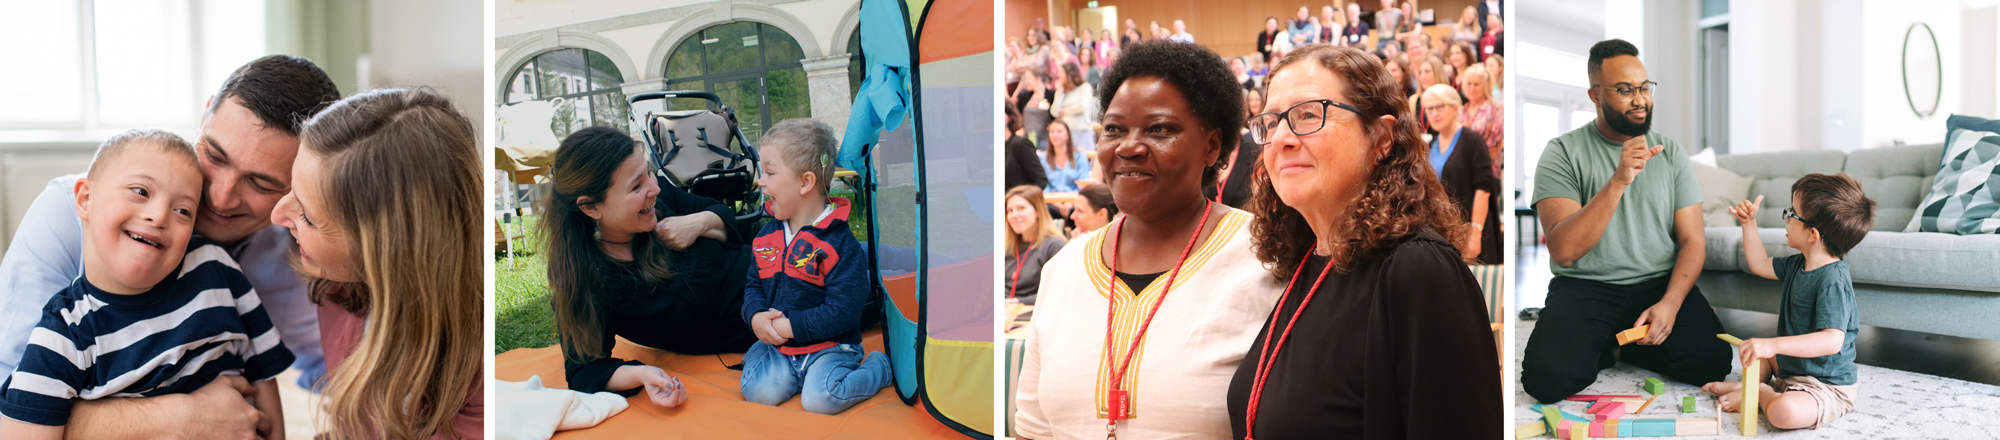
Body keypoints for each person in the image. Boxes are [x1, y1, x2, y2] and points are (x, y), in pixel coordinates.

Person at [0, 55, 338, 439]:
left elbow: (345, 374)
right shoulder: (71, 217)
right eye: (214, 155)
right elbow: (10, 402)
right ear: (205, 114)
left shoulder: (296, 253)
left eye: (260, 184)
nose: (220, 196)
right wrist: (180, 416)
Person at [1228, 43, 1500, 440]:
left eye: (1307, 115)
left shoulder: (1418, 270)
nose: (1281, 138)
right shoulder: (1306, 260)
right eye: (1270, 123)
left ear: (1381, 137)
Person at [1013, 41, 1283, 440]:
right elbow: (1033, 430)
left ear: (1212, 146)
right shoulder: (1063, 270)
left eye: (1160, 129)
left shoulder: (1267, 260)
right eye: (1113, 129)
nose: (1128, 146)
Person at [0, 131, 293, 440]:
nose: (158, 216)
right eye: (140, 191)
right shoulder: (63, 335)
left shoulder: (216, 268)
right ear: (85, 199)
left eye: (183, 211)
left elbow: (264, 372)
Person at [1521, 39, 1730, 404]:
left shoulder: (1672, 152)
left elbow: (1693, 240)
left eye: (1644, 87)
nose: (1640, 99)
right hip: (1586, 286)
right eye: (1624, 89)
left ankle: (1621, 346)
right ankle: (1609, 343)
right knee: (1546, 379)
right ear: (1595, 95)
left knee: (1712, 362)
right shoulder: (1562, 152)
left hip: (1657, 284)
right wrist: (1618, 180)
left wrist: (1671, 303)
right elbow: (1565, 251)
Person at [274, 88, 484, 439]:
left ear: (385, 250)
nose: (277, 215)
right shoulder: (335, 288)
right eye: (291, 190)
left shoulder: (478, 365)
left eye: (308, 217)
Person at [538, 126, 755, 405]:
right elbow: (584, 371)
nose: (654, 188)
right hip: (780, 320)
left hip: (785, 266)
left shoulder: (658, 197)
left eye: (649, 172)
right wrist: (643, 374)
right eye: (636, 186)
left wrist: (698, 223)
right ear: (591, 207)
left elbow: (723, 215)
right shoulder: (590, 281)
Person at [737, 119, 891, 415]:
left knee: (820, 400)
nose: (760, 181)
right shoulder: (766, 236)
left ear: (805, 182)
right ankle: (785, 371)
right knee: (759, 392)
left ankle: (879, 368)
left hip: (830, 347)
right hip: (782, 348)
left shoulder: (840, 244)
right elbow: (754, 283)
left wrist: (789, 327)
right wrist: (755, 316)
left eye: (769, 172)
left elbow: (844, 311)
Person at [1705, 174, 1871, 430]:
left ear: (1812, 234)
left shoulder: (1832, 280)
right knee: (1756, 357)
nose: (1787, 217)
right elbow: (1759, 264)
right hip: (1789, 367)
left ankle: (1759, 392)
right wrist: (1748, 224)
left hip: (1824, 384)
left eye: (1792, 213)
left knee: (1784, 413)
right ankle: (1750, 386)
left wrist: (1773, 344)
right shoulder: (1798, 263)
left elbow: (1831, 340)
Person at [1421, 84, 1501, 264]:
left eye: (1440, 106)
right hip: (1443, 232)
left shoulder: (1472, 140)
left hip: (1471, 230)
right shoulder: (1432, 145)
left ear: (1455, 108)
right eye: (1430, 108)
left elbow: (1484, 189)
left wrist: (1476, 232)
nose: (1434, 113)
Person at [1005, 185, 1068, 304]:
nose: (1014, 215)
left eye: (1021, 208)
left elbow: (1057, 293)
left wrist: (1016, 302)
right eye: (1010, 210)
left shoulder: (1054, 245)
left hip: (1033, 314)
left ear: (1038, 211)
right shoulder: (1007, 245)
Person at [1459, 64, 1504, 178]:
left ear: (1485, 86)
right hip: (1463, 172)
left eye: (1476, 84)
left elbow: (1495, 146)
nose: (1472, 88)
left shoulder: (1495, 109)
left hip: (1487, 172)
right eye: (1469, 84)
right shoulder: (1462, 110)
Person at [1051, 62, 1099, 153]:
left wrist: (1064, 111)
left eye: (1061, 72)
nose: (1058, 75)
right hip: (1065, 135)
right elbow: (1054, 112)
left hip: (1081, 132)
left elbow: (1082, 107)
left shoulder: (1084, 87)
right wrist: (1059, 93)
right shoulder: (1061, 90)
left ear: (1070, 74)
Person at [1042, 120, 1096, 193]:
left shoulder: (1080, 156)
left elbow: (1083, 183)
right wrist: (1056, 202)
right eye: (1052, 132)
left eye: (1059, 131)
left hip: (1075, 200)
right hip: (1051, 201)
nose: (1055, 135)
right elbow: (1044, 185)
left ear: (1067, 135)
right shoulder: (1042, 159)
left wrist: (1069, 202)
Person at [1006, 105, 1052, 190]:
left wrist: (1023, 199)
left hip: (1018, 200)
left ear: (1009, 116)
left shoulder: (1020, 144)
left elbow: (1040, 180)